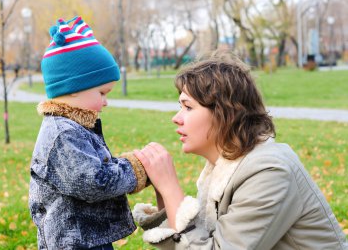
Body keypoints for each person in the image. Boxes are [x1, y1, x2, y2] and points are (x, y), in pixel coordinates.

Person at [133, 51, 348, 249]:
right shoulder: (226, 167)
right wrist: (164, 192)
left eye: (188, 107)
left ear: (224, 113)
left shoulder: (269, 172)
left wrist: (171, 188)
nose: (176, 118)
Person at [28, 16, 149, 250]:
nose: (106, 102)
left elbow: (93, 168)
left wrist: (122, 166)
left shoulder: (73, 126)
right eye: (102, 93)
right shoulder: (62, 133)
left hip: (88, 237)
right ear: (74, 88)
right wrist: (135, 169)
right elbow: (93, 182)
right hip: (72, 242)